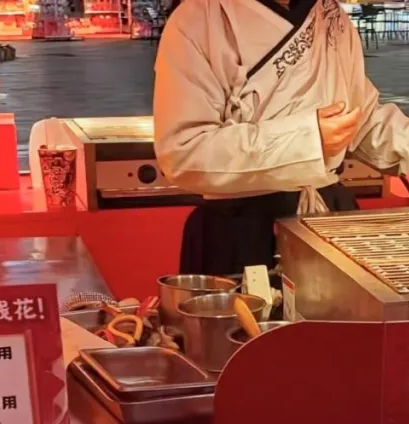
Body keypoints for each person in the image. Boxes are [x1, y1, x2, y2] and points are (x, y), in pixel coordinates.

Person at [153, 0, 409, 276]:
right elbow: (185, 151)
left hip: (330, 217)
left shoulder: (329, 14)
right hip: (239, 229)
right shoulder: (199, 18)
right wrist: (307, 141)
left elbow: (360, 117)